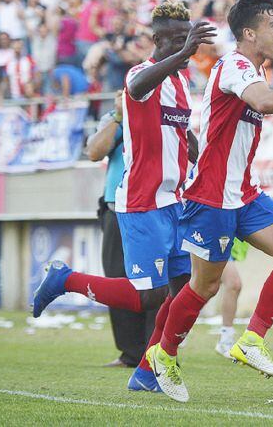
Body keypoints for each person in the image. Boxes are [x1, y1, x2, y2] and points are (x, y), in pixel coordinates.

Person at [145, 0, 273, 403]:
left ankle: (251, 340)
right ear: (249, 33)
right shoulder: (235, 65)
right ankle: (162, 354)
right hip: (211, 197)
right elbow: (262, 100)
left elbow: (264, 101)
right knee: (205, 287)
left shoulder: (252, 68)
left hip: (243, 193)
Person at [31, 1, 216, 394]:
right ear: (158, 40)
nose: (186, 49)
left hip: (175, 201)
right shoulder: (139, 74)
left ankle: (149, 370)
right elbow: (136, 87)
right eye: (177, 41)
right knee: (149, 296)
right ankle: (66, 280)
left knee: (184, 291)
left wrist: (195, 145)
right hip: (142, 201)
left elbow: (178, 131)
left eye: (188, 41)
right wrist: (185, 53)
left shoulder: (181, 83)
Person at [84, 92, 157, 369]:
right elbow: (94, 152)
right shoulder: (116, 118)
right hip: (116, 210)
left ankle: (154, 353)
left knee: (155, 282)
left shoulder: (164, 113)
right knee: (117, 280)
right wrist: (118, 115)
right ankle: (130, 354)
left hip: (153, 210)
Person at [214, 241, 246, 358]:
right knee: (233, 284)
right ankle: (175, 330)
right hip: (211, 238)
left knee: (206, 289)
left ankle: (225, 339)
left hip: (226, 243)